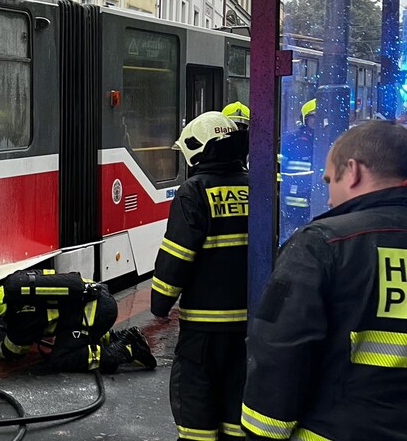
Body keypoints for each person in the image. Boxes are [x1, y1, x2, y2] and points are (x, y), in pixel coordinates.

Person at [242, 120, 407, 440]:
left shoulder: (320, 245)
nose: (330, 199)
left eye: (331, 180)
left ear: (354, 171)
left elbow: (280, 351)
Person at [153, 111, 249, 441]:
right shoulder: (257, 186)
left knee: (196, 404)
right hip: (249, 325)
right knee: (238, 402)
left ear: (198, 149)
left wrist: (160, 303)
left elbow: (177, 255)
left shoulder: (193, 192)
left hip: (204, 328)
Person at [0, 269, 157, 373]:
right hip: (99, 296)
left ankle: (126, 349)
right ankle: (116, 337)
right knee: (74, 332)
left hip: (97, 312)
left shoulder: (20, 320)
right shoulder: (19, 282)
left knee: (61, 359)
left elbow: (14, 351)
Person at [280, 99, 317, 242]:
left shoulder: (330, 138)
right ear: (304, 119)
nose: (316, 120)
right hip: (294, 199)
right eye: (312, 116)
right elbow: (280, 164)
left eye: (319, 116)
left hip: (319, 197)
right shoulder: (291, 139)